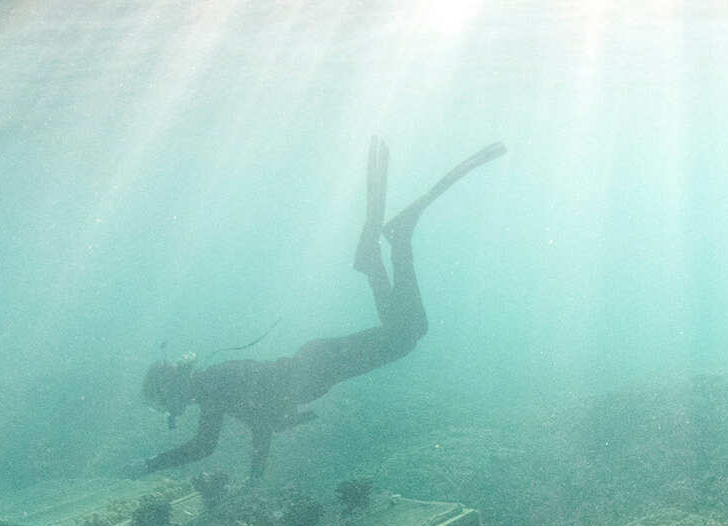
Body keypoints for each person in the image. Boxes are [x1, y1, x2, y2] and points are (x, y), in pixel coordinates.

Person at [140, 137, 505, 479]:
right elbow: (260, 422)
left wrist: (151, 464)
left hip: (322, 365)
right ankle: (377, 256)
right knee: (409, 332)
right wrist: (257, 472)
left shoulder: (211, 388)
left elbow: (207, 445)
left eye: (164, 403)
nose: (171, 412)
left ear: (172, 390)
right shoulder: (212, 386)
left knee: (407, 335)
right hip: (320, 362)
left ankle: (395, 241)